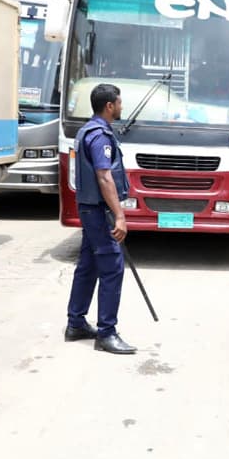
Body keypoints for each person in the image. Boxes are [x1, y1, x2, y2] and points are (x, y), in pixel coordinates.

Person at [64, 83, 136, 354]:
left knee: (88, 265)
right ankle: (106, 332)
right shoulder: (100, 136)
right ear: (109, 106)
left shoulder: (87, 130)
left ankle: (76, 323)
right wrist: (119, 215)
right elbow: (104, 176)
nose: (121, 106)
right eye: (119, 102)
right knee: (112, 267)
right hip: (99, 211)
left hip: (90, 209)